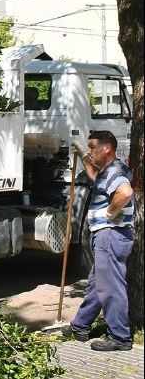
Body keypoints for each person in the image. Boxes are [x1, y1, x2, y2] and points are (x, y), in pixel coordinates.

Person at [63, 131, 134, 351]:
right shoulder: (107, 171)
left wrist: (110, 212)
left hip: (110, 234)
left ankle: (120, 337)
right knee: (97, 284)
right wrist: (84, 156)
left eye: (93, 147)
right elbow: (96, 178)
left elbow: (125, 192)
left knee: (110, 286)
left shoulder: (115, 171)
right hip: (107, 235)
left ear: (107, 149)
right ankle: (80, 326)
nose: (91, 151)